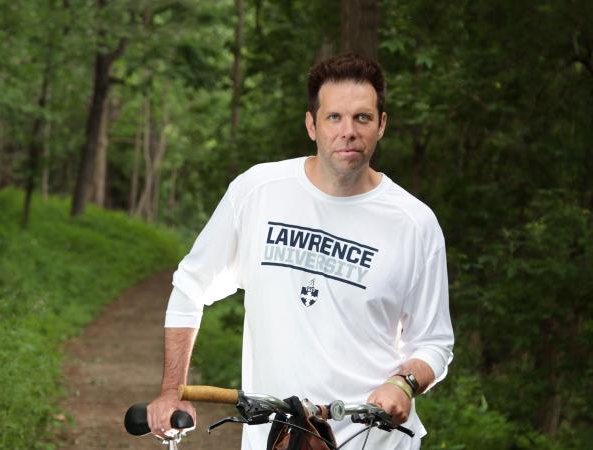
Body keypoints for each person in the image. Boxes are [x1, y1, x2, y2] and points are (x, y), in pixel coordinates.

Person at [147, 54, 454, 450]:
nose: (348, 131)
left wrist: (405, 383)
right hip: (274, 439)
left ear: (381, 125)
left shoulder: (414, 223)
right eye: (334, 118)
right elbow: (190, 286)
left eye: (362, 118)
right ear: (312, 125)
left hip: (374, 438)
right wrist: (174, 391)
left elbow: (434, 342)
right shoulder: (258, 191)